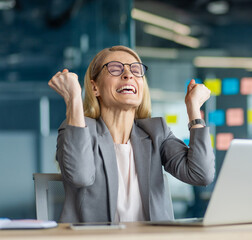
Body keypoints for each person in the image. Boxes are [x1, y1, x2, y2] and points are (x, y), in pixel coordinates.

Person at [48, 45, 215, 223]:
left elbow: (201, 174)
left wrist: (194, 109)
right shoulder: (79, 128)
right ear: (94, 87)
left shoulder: (156, 131)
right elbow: (80, 176)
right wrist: (74, 97)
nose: (128, 75)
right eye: (114, 68)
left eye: (136, 69)